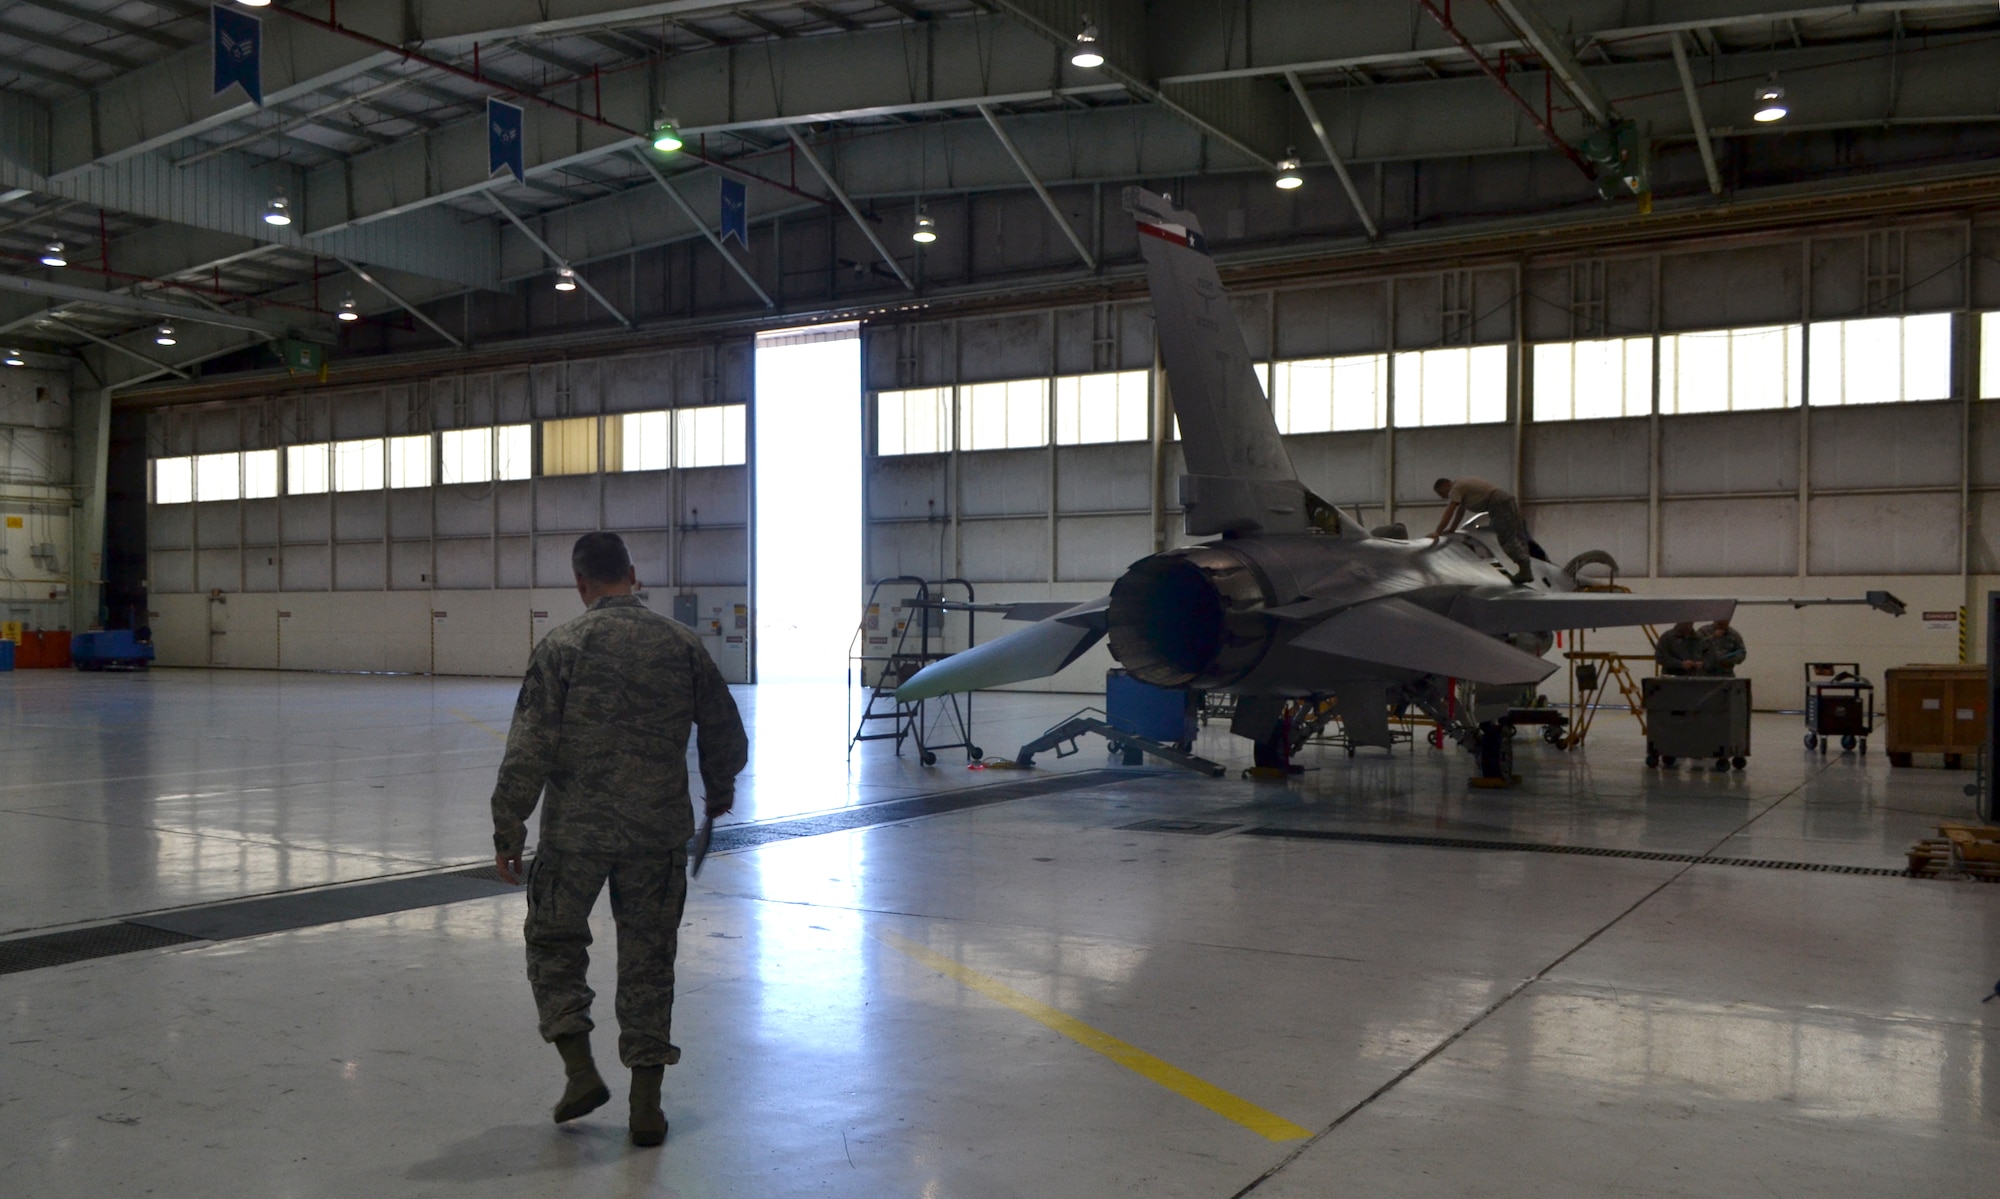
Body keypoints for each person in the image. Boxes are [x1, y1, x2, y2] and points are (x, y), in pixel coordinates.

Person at [490, 531, 747, 1148]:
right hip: (656, 834)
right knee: (649, 960)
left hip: (576, 834)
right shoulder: (681, 643)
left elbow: (529, 746)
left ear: (580, 584)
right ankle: (647, 1108)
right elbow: (725, 731)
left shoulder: (562, 646)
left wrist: (509, 824)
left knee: (553, 942)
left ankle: (580, 1071)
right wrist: (717, 787)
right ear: (632, 574)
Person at [1429, 476, 1535, 584]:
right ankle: (1526, 569)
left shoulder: (1455, 489)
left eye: (1441, 493)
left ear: (1446, 485)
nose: (1442, 497)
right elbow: (1459, 512)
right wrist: (1452, 529)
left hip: (1497, 503)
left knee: (1506, 538)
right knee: (1516, 534)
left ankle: (1525, 571)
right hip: (1502, 500)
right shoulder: (1461, 486)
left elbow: (1449, 512)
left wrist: (1437, 532)